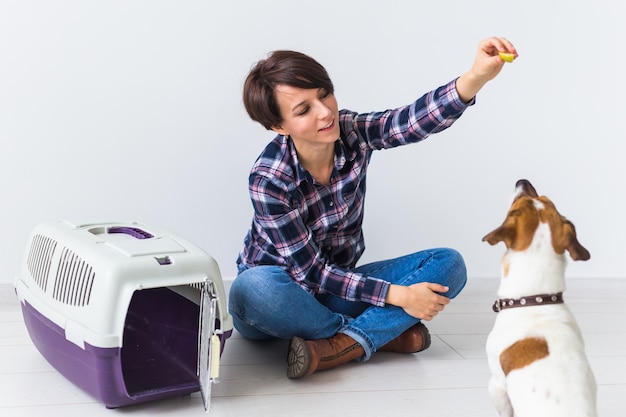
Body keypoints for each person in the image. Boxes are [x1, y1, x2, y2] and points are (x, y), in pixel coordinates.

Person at [229, 37, 518, 379]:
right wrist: (398, 296)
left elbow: (408, 122)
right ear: (279, 126)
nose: (325, 112)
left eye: (324, 94)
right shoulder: (269, 178)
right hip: (279, 302)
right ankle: (372, 336)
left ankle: (341, 343)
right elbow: (312, 273)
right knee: (252, 286)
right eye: (304, 110)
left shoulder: (351, 132)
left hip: (338, 291)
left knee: (448, 264)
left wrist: (475, 77)